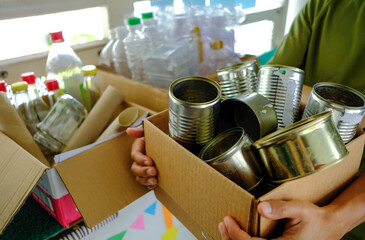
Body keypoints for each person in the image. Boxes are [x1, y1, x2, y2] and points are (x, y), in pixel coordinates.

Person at [127, 0, 365, 239]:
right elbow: (270, 84)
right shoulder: (324, 4)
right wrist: (162, 143)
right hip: (267, 197)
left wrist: (337, 220)